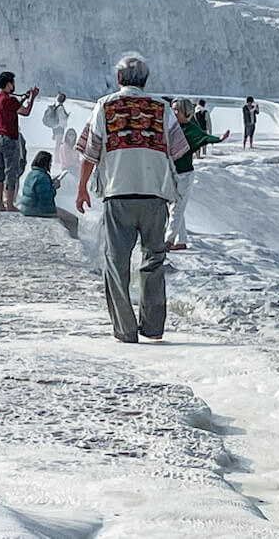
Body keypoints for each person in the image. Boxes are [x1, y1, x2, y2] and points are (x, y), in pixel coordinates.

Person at [75, 53, 190, 343]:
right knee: (153, 260)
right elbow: (180, 152)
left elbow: (90, 151)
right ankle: (152, 328)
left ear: (118, 79)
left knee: (116, 262)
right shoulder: (162, 108)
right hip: (154, 195)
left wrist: (82, 188)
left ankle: (125, 330)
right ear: (146, 80)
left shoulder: (105, 106)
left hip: (118, 194)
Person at [166, 98, 229, 251]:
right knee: (173, 208)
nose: (174, 113)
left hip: (185, 175)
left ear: (186, 113)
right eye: (172, 109)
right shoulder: (172, 128)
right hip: (172, 173)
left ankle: (167, 241)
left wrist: (219, 139)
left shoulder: (190, 128)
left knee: (176, 208)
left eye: (177, 110)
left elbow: (204, 137)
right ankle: (180, 241)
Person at [0, 71, 39, 212]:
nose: (14, 85)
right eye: (13, 82)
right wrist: (31, 98)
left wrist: (23, 97)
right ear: (8, 84)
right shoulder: (9, 100)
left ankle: (0, 203)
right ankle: (10, 204)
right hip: (9, 138)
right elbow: (25, 112)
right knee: (10, 172)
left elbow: (13, 107)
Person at [19, 150, 79, 235]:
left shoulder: (32, 173)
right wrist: (54, 188)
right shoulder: (42, 177)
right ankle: (75, 238)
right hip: (36, 210)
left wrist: (49, 183)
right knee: (73, 220)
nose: (50, 165)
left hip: (27, 207)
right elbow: (45, 199)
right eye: (50, 163)